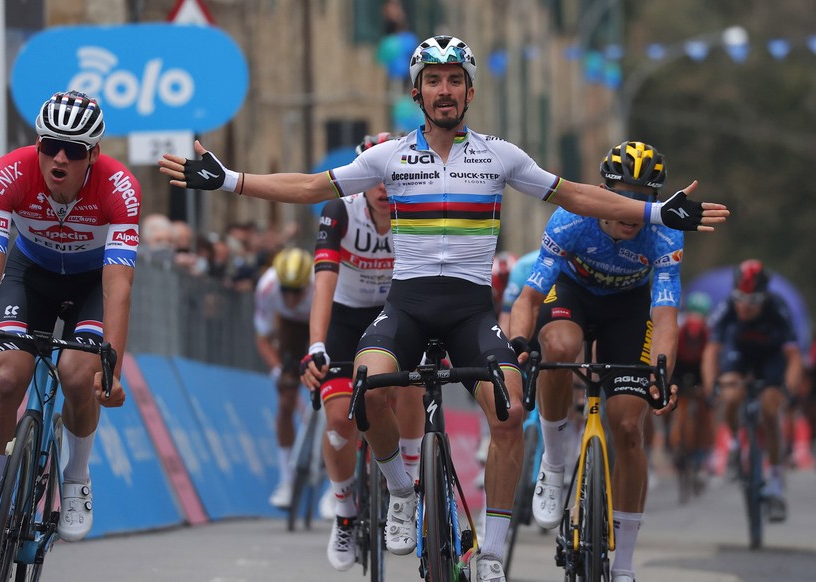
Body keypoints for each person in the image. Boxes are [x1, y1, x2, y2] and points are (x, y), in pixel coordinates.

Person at [159, 36, 727, 582]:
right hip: (406, 306)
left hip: (470, 313)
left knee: (509, 412)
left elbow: (575, 194)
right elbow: (311, 186)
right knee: (366, 388)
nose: (445, 89)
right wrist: (230, 180)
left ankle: (496, 555)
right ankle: (402, 495)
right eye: (434, 81)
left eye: (455, 79)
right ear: (418, 93)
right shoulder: (388, 157)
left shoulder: (500, 156)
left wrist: (655, 215)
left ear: (470, 92)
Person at [0, 90, 137, 575]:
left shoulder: (120, 188)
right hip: (30, 274)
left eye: (74, 150)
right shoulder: (9, 172)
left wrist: (111, 364)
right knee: (7, 379)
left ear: (93, 153)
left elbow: (118, 287)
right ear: (37, 141)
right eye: (50, 144)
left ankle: (75, 475)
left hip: (92, 282)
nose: (58, 158)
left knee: (77, 376)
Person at [508, 141, 686, 582]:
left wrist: (662, 373)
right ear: (604, 191)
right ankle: (553, 461)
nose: (632, 209)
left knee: (628, 426)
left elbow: (664, 315)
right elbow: (529, 297)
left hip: (628, 309)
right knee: (561, 348)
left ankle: (623, 564)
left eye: (643, 198)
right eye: (622, 195)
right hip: (571, 296)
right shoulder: (571, 218)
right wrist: (517, 344)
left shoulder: (665, 232)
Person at [299, 132, 425, 571]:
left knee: (413, 384)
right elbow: (324, 282)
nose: (383, 184)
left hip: (398, 314)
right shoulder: (341, 209)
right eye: (374, 174)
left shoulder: (417, 210)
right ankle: (345, 510)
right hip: (346, 318)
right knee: (338, 422)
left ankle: (406, 480)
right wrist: (316, 344)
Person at [702, 259, 802, 522]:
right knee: (731, 394)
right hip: (739, 355)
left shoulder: (778, 308)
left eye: (753, 300)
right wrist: (712, 385)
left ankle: (777, 479)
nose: (744, 306)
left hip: (771, 359)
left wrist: (789, 391)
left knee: (770, 410)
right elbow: (711, 351)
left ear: (764, 296)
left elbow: (793, 358)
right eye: (739, 298)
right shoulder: (727, 308)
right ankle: (735, 443)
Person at [254, 246, 315, 509]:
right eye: (285, 291)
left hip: (322, 323)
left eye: (297, 291)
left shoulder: (322, 282)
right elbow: (263, 337)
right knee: (285, 401)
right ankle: (287, 480)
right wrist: (278, 370)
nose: (290, 297)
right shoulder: (267, 287)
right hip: (289, 328)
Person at [668, 290, 714, 491]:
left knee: (706, 409)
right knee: (673, 402)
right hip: (679, 366)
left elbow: (710, 363)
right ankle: (675, 441)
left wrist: (709, 389)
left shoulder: (709, 334)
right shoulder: (679, 330)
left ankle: (702, 455)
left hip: (699, 369)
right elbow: (670, 359)